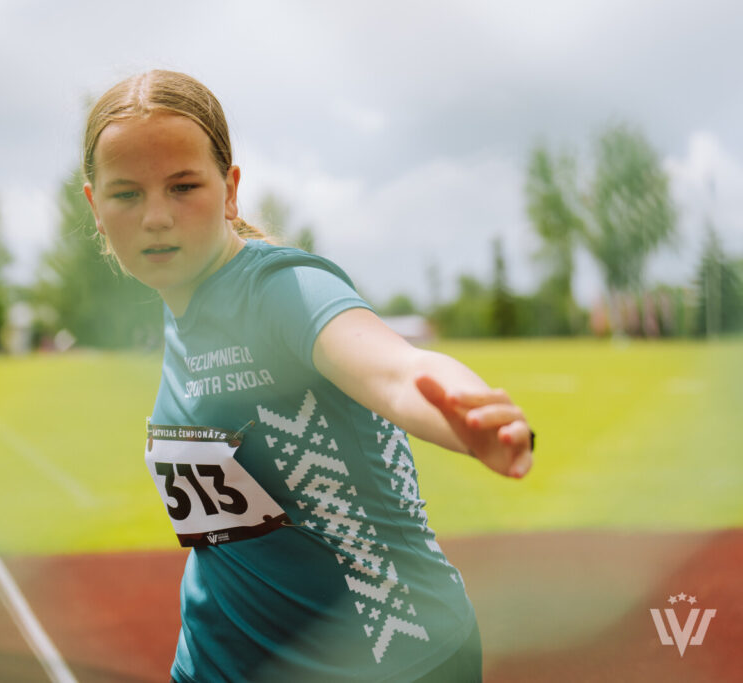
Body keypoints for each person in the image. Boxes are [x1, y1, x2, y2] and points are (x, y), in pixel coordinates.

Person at [81, 70, 533, 682]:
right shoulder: (183, 308)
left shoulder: (281, 291)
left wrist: (465, 413)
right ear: (95, 207)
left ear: (230, 190)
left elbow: (396, 369)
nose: (156, 216)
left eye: (183, 186)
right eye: (127, 193)